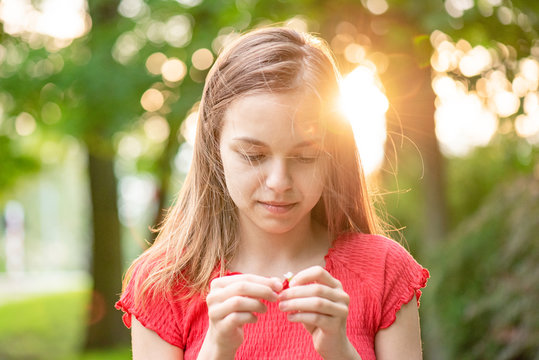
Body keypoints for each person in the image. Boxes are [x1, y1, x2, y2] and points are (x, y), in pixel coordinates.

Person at [116, 26, 429, 360]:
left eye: (305, 157)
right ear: (213, 145)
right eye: (254, 155)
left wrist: (340, 351)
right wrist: (216, 351)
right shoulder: (164, 284)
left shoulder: (384, 271)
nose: (279, 182)